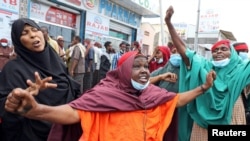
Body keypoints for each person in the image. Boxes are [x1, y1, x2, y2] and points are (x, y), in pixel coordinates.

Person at [4, 50, 216, 141]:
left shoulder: (153, 94)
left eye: (146, 66)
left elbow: (176, 100)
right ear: (123, 72)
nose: (144, 71)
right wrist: (37, 110)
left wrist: (203, 88)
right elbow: (73, 114)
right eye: (137, 66)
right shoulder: (104, 95)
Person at [165, 6, 250, 141]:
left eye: (224, 49)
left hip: (232, 119)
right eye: (215, 50)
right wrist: (169, 23)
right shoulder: (204, 67)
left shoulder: (242, 70)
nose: (219, 52)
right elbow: (185, 53)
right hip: (203, 125)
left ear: (232, 53)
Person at [0, 18, 80, 141]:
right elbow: (5, 107)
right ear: (18, 41)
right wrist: (20, 98)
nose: (32, 35)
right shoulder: (13, 69)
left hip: (65, 131)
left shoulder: (57, 62)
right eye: (24, 33)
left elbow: (72, 91)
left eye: (34, 30)